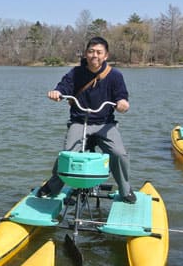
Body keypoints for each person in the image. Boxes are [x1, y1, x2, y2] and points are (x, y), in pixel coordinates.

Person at [37, 36, 136, 204]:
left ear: (106, 56)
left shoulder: (115, 76)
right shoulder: (76, 73)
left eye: (99, 52)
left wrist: (122, 104)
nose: (94, 55)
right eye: (91, 52)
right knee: (68, 154)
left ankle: (125, 189)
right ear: (85, 54)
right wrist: (56, 93)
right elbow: (63, 87)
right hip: (79, 121)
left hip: (105, 123)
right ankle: (52, 187)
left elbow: (122, 98)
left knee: (119, 154)